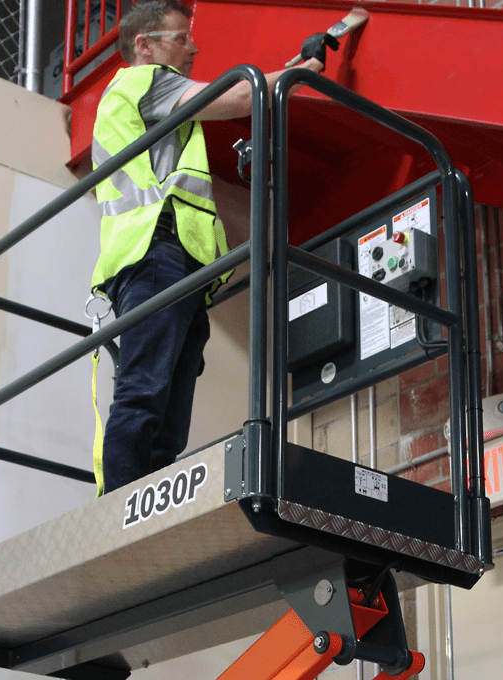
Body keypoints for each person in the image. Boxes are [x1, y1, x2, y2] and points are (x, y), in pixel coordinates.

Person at [91, 0, 332, 495]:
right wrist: (301, 69)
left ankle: (140, 500)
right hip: (155, 251)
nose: (192, 47)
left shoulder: (136, 99)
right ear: (145, 45)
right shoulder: (143, 82)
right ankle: (120, 511)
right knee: (145, 394)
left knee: (166, 407)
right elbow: (241, 95)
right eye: (180, 37)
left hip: (169, 262)